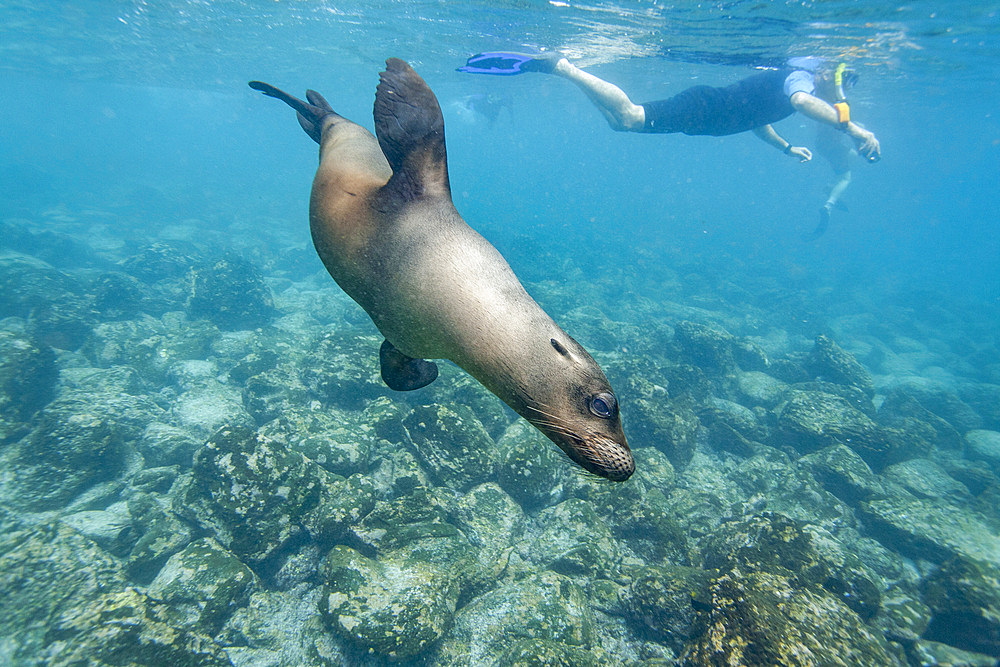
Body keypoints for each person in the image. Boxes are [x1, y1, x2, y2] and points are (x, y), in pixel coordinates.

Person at [459, 53, 880, 238]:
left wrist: (786, 149)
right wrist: (855, 130)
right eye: (848, 79)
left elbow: (759, 120)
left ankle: (565, 71)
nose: (845, 89)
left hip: (710, 115)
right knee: (628, 117)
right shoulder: (801, 79)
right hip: (706, 109)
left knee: (618, 123)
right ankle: (563, 68)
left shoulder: (796, 86)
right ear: (829, 70)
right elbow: (801, 101)